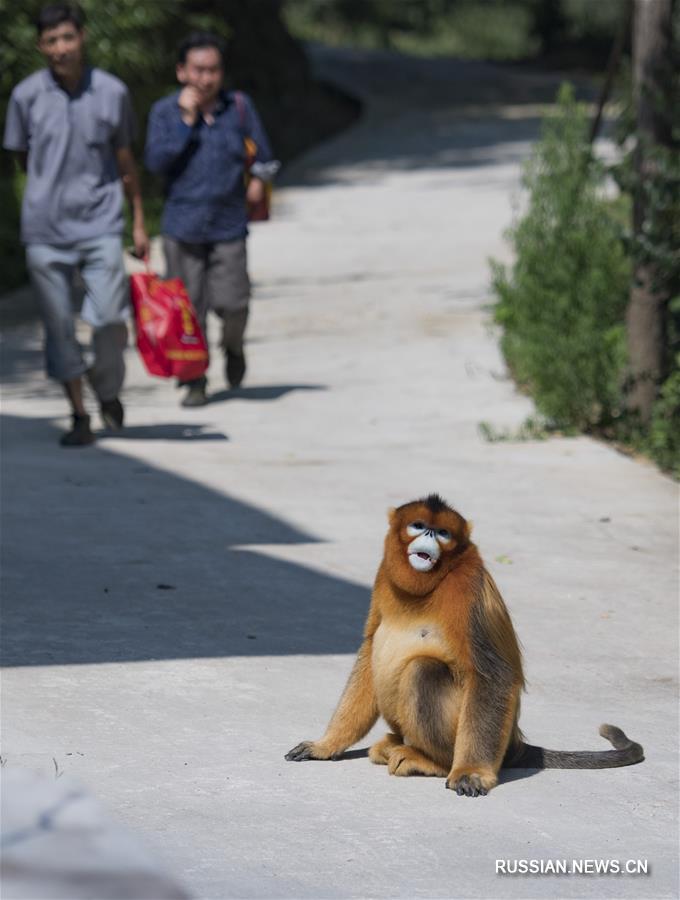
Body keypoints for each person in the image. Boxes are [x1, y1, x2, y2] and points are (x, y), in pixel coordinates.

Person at [3, 2, 148, 446]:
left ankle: (107, 390)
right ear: (40, 46)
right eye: (51, 41)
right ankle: (79, 414)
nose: (60, 48)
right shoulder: (25, 97)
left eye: (67, 38)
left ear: (82, 38)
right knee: (59, 327)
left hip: (101, 222)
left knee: (108, 318)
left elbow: (125, 160)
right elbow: (22, 157)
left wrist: (138, 221)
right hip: (45, 230)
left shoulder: (111, 92)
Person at [145, 32, 278, 407]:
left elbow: (266, 156)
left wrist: (258, 182)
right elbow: (156, 163)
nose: (206, 79)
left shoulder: (238, 107)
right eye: (198, 70)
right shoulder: (164, 112)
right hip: (182, 225)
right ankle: (195, 379)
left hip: (228, 223)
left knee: (234, 303)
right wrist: (186, 120)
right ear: (181, 72)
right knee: (189, 311)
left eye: (213, 70)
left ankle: (233, 347)